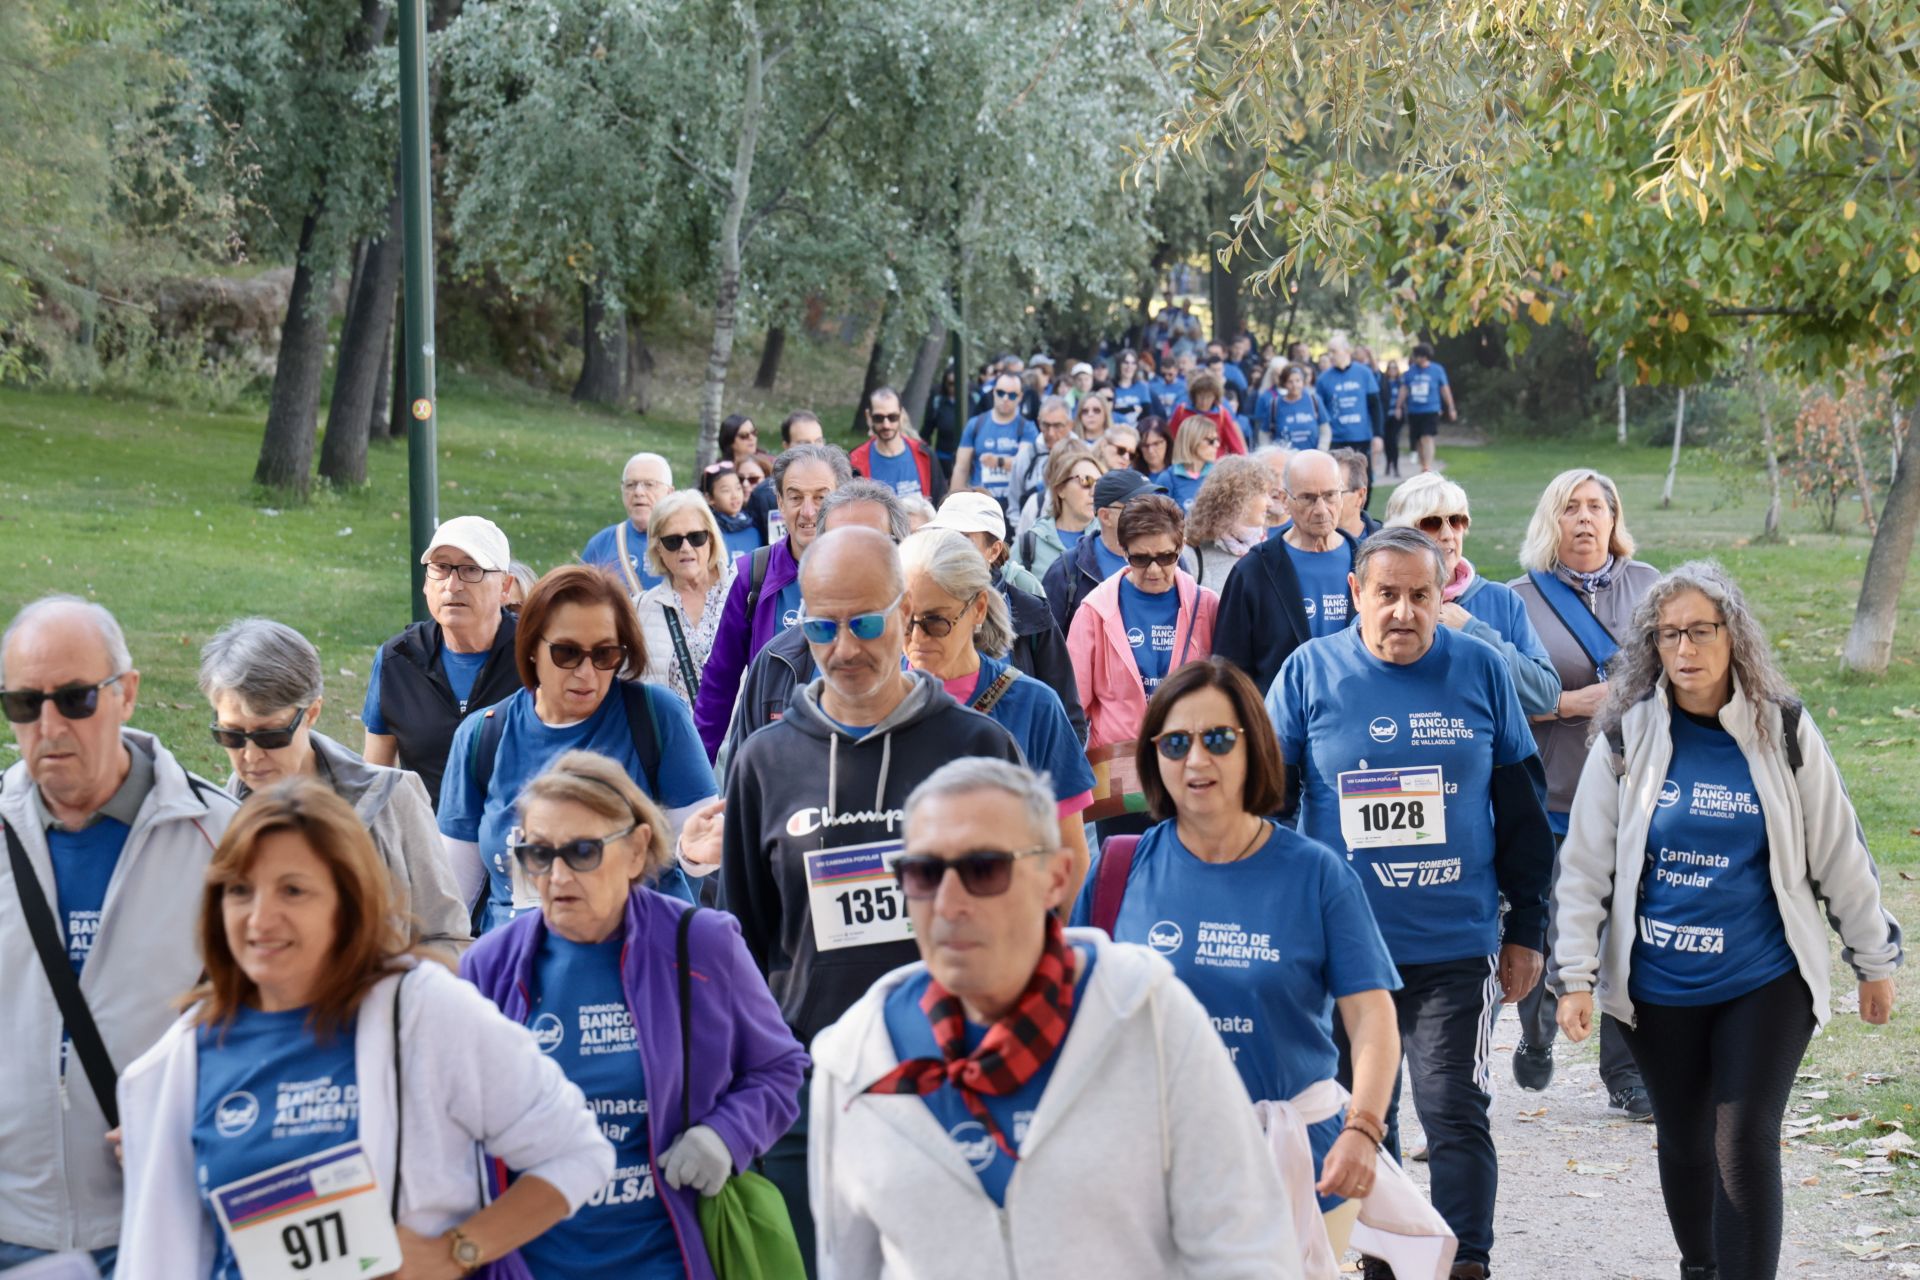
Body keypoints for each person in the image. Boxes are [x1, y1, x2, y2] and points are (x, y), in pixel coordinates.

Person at [810, 758, 1300, 1279]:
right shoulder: (854, 1060)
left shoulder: (1148, 1016)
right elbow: (847, 1264)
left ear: (1056, 878)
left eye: (984, 869)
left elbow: (1245, 1245)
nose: (949, 904)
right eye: (924, 873)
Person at [1549, 562, 1903, 1280]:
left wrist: (1873, 962)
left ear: (1732, 636)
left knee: (1743, 1140)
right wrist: (1576, 977)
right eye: (1669, 634)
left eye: (1700, 631)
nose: (1686, 649)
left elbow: (1840, 851)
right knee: (1683, 1141)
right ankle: (1701, 1268)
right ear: (1653, 645)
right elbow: (1584, 869)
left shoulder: (1784, 729)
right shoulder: (1627, 738)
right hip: (1659, 983)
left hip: (1763, 976)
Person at [115, 780, 614, 1280]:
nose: (261, 919)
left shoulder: (423, 1010)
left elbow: (576, 1153)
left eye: (293, 890)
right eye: (240, 890)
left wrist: (457, 1250)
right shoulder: (189, 1050)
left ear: (347, 903)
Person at [716, 528, 1024, 1266]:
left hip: (957, 1093)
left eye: (866, 622)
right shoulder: (764, 761)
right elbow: (747, 944)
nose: (844, 647)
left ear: (903, 611)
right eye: (821, 626)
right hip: (812, 1099)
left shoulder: (978, 750)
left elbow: (1026, 930)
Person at [1075, 661, 1436, 1273]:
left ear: (1255, 746)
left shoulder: (1316, 874)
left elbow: (1372, 1017)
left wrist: (1365, 1128)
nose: (1196, 761)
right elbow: (1072, 1012)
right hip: (1153, 1160)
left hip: (1294, 1157)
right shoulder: (1117, 868)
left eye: (1217, 739)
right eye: (1174, 742)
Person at [1269, 525, 1555, 1280]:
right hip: (1340, 953)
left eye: (1419, 596)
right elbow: (1266, 812)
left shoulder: (1481, 670)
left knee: (1453, 1108)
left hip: (1454, 941)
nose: (1402, 612)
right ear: (1356, 595)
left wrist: (1528, 925)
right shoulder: (1308, 674)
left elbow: (1523, 808)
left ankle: (1465, 1264)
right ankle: (1384, 1262)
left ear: (1443, 595)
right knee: (1363, 1116)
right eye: (1386, 595)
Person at [461, 751, 808, 1280]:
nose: (555, 876)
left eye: (581, 852)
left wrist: (726, 1136)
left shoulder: (703, 945)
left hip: (671, 1258)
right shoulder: (488, 967)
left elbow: (779, 1067)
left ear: (636, 848)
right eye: (537, 853)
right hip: (532, 1264)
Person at [0, 596, 239, 1273]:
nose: (47, 726)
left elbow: (285, 1025)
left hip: (160, 1223)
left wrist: (197, 1119)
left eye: (74, 699)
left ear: (127, 694)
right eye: (22, 704)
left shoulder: (224, 841)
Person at [439, 564, 716, 932]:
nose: (586, 673)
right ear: (532, 647)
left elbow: (698, 849)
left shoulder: (656, 717)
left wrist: (691, 856)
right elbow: (452, 895)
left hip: (637, 959)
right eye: (567, 653)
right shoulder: (482, 736)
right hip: (515, 971)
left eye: (605, 655)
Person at [1505, 468, 1658, 1111]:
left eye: (1598, 506)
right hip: (1551, 788)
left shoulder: (1650, 587)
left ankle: (1625, 1076)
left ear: (1615, 518)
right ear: (1552, 520)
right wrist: (1566, 705)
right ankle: (1537, 1029)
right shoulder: (1518, 599)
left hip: (1634, 790)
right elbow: (1499, 691)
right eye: (1572, 507)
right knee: (1546, 925)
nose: (1586, 518)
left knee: (1623, 927)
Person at [200, 617, 468, 959]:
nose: (251, 755)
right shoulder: (211, 823)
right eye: (232, 735)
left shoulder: (392, 799)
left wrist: (389, 1001)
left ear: (312, 713)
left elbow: (447, 938)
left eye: (271, 735)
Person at [899, 529, 1096, 897]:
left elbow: (1070, 854)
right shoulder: (881, 702)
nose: (917, 639)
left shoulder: (1034, 706)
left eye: (936, 622)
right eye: (904, 620)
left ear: (977, 609)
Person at [713, 482, 911, 769]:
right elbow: (745, 794)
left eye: (871, 544)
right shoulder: (775, 662)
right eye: (836, 545)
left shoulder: (931, 655)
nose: (852, 560)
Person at [1069, 495, 1219, 836]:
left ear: (1180, 549)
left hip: (1191, 761)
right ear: (1123, 552)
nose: (1154, 569)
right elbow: (1075, 704)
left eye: (1165, 557)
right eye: (1140, 558)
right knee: (1124, 870)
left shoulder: (1207, 606)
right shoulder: (1094, 611)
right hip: (1121, 766)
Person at [694, 442, 851, 758]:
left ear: (842, 500)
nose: (808, 511)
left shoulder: (866, 574)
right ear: (779, 501)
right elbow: (720, 682)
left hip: (844, 757)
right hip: (768, 759)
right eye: (795, 497)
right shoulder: (754, 574)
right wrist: (697, 777)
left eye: (821, 497)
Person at [363, 515, 523, 806]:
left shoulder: (536, 654)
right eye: (441, 568)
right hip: (425, 840)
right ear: (426, 582)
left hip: (516, 839)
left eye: (471, 569)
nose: (452, 584)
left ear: (505, 586)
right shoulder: (397, 660)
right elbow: (376, 777)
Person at [1382, 474, 1560, 717]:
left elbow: (1545, 695)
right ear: (1402, 534)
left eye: (1456, 520)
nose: (1447, 534)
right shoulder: (1381, 604)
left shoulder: (1502, 601)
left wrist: (1473, 630)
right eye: (1432, 523)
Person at [637, 490, 737, 707]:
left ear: (711, 539)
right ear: (658, 548)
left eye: (696, 537)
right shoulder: (641, 610)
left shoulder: (743, 595)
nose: (686, 548)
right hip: (674, 738)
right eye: (673, 541)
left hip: (738, 738)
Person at [1041, 469, 1163, 636]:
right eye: (1138, 507)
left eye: (1153, 505)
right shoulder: (1067, 569)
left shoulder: (1169, 559)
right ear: (1105, 516)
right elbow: (1050, 644)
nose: (1150, 515)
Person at [582, 452, 674, 596]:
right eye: (630, 485)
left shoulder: (688, 542)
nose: (638, 492)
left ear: (669, 492)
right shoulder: (601, 544)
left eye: (649, 484)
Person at [926, 492, 1046, 599]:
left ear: (994, 551)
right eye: (945, 536)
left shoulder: (1023, 586)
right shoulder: (925, 583)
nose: (952, 547)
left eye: (965, 539)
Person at [1013, 447, 1104, 582]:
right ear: (1060, 489)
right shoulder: (1029, 543)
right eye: (1086, 481)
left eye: (1100, 484)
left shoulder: (1109, 540)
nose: (1094, 492)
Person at [1183, 455, 1272, 590]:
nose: (1270, 503)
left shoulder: (1266, 548)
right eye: (1263, 493)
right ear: (1239, 498)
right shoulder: (1193, 555)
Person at [850, 385, 946, 503]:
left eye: (892, 417)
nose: (886, 425)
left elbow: (941, 502)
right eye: (879, 418)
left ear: (902, 415)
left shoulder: (925, 454)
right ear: (868, 417)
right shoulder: (855, 461)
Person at [954, 371, 1037, 506]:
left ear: (1020, 397)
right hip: (980, 504)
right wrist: (952, 505)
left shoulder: (1028, 428)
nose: (1005, 398)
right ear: (993, 392)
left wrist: (998, 461)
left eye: (1012, 395)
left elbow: (1023, 463)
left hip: (1013, 506)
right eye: (1000, 393)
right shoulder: (975, 424)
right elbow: (961, 468)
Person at [746, 412, 827, 544]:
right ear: (786, 447)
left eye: (818, 441)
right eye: (804, 443)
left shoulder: (838, 487)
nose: (814, 449)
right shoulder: (763, 495)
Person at [1314, 335, 1382, 458]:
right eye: (1329, 351)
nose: (1330, 355)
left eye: (1334, 351)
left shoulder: (1364, 373)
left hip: (1361, 437)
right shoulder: (1323, 379)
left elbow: (1375, 406)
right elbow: (1319, 411)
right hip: (1335, 438)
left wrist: (1378, 435)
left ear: (1347, 351)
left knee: (1363, 476)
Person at [1007, 396, 1075, 518]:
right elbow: (1014, 505)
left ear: (1070, 425)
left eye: (1057, 426)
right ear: (1038, 423)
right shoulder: (1025, 457)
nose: (1051, 433)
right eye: (1046, 425)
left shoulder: (1083, 455)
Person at [1396, 343, 1456, 474]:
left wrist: (1451, 407)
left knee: (1427, 437)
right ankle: (1423, 465)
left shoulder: (1437, 370)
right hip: (1414, 411)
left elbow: (1445, 389)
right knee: (1418, 440)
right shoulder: (1410, 372)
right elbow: (1404, 390)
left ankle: (1427, 466)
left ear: (1425, 357)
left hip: (1431, 410)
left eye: (1418, 356)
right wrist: (1398, 406)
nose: (1416, 359)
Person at [1167, 370, 1248, 456]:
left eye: (1209, 397)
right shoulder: (1182, 410)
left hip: (1214, 464)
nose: (1204, 401)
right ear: (1194, 395)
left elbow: (1236, 446)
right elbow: (1171, 439)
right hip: (1187, 464)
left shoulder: (1221, 414)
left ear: (1215, 397)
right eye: (1200, 396)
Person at [701, 460, 763, 561]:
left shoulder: (753, 529)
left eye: (738, 488)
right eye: (726, 490)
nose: (735, 495)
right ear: (709, 498)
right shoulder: (708, 534)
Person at [1157, 413, 1218, 512]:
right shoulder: (1167, 479)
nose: (1217, 444)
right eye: (1211, 441)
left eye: (1217, 440)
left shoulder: (1217, 476)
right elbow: (1158, 520)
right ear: (1193, 441)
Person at [1331, 447, 1382, 537]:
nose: (1320, 505)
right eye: (1312, 497)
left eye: (1331, 494)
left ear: (1360, 496)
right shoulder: (1303, 545)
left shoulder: (1386, 544)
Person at [1109, 348, 1151, 424]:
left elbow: (1146, 413)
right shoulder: (1110, 387)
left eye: (1133, 363)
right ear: (1119, 365)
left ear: (1136, 366)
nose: (1129, 366)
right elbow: (1108, 412)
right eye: (1126, 363)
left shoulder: (1142, 387)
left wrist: (1120, 410)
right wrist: (1131, 409)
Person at [1379, 359, 1406, 477]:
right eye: (1390, 368)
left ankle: (1395, 467)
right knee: (1387, 442)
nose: (1393, 370)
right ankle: (1388, 464)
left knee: (1394, 441)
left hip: (1397, 417)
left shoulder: (1401, 382)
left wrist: (1400, 408)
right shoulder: (1383, 382)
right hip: (1385, 417)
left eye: (1395, 368)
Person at [1143, 354, 1187, 419]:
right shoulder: (1154, 386)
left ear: (1176, 371)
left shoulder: (1184, 387)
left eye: (1170, 374)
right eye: (1163, 374)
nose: (1166, 377)